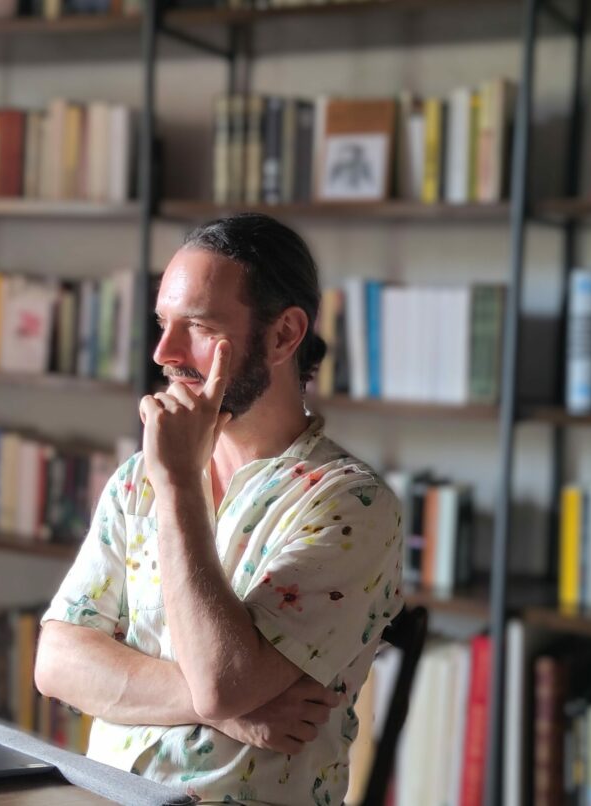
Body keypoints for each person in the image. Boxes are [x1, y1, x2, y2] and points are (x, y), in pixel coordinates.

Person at [34, 214, 404, 806]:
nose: (164, 353)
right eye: (162, 324)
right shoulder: (139, 478)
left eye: (198, 327)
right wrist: (225, 713)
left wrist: (180, 484)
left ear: (283, 336)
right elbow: (56, 663)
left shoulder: (352, 505)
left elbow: (223, 680)